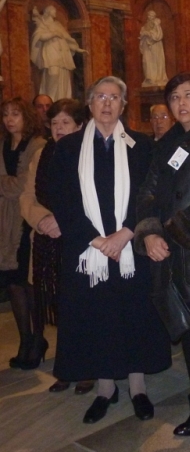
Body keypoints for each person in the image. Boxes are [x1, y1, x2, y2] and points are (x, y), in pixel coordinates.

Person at [48, 76, 171, 424]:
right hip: (87, 251)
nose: (107, 103)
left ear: (123, 105)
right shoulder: (68, 147)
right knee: (96, 318)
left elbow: (150, 195)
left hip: (130, 250)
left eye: (114, 97)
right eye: (100, 96)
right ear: (89, 103)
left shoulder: (142, 145)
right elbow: (63, 197)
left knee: (133, 316)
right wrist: (96, 239)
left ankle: (137, 387)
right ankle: (105, 388)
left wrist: (126, 234)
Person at [135, 72, 190, 442]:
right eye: (175, 97)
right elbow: (148, 193)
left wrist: (166, 232)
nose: (181, 103)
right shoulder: (168, 143)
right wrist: (149, 233)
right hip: (174, 255)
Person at [19, 98, 94, 394]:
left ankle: (88, 367)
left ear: (80, 125)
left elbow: (92, 199)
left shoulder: (88, 153)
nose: (59, 128)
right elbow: (27, 197)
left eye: (66, 122)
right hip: (47, 240)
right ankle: (66, 367)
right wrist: (43, 220)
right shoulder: (42, 154)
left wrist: (63, 221)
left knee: (83, 307)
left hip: (79, 239)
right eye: (54, 123)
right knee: (60, 308)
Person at [1, 98, 46, 369]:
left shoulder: (38, 146)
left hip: (26, 222)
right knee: (13, 283)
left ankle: (38, 339)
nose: (9, 119)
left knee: (30, 284)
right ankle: (24, 339)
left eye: (15, 114)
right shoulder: (3, 145)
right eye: (5, 114)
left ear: (26, 116)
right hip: (5, 223)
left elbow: (22, 187)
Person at [30, 5, 86, 101]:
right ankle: (49, 100)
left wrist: (77, 49)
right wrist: (53, 34)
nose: (55, 12)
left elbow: (67, 39)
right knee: (53, 74)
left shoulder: (57, 25)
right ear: (48, 12)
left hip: (62, 55)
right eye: (53, 10)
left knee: (63, 77)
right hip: (51, 52)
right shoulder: (43, 24)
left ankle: (61, 100)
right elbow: (39, 36)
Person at [139, 10, 168, 87]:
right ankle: (149, 78)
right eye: (149, 15)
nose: (150, 17)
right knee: (146, 61)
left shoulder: (157, 25)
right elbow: (141, 37)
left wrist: (149, 34)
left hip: (156, 47)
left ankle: (158, 78)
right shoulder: (144, 27)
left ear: (154, 17)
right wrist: (144, 35)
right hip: (147, 48)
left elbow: (158, 36)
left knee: (157, 62)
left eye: (152, 16)